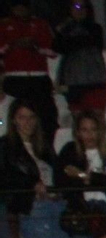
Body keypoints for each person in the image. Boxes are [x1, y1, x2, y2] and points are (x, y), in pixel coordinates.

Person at [2, 100, 79, 238]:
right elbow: (7, 177)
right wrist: (31, 184)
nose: (27, 122)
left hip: (55, 204)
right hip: (34, 207)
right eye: (22, 117)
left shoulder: (43, 145)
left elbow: (55, 171)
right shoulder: (7, 146)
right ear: (14, 120)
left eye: (31, 117)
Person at [56, 111, 106, 238]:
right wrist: (91, 178)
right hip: (82, 210)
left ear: (100, 131)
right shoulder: (70, 151)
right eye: (84, 130)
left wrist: (85, 176)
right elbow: (61, 180)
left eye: (93, 130)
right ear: (78, 132)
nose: (89, 135)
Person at [0, 2, 57, 141]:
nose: (20, 9)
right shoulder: (3, 25)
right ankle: (16, 149)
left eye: (23, 5)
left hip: (39, 78)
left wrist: (36, 46)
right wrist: (12, 45)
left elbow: (53, 51)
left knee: (47, 117)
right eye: (16, 5)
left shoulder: (40, 24)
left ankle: (45, 149)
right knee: (15, 116)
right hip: (15, 79)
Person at [54, 2, 106, 115]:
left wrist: (71, 40)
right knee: (77, 117)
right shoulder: (65, 28)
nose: (80, 10)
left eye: (84, 7)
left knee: (95, 117)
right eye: (76, 7)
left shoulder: (95, 28)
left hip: (94, 81)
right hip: (72, 82)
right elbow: (58, 46)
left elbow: (91, 41)